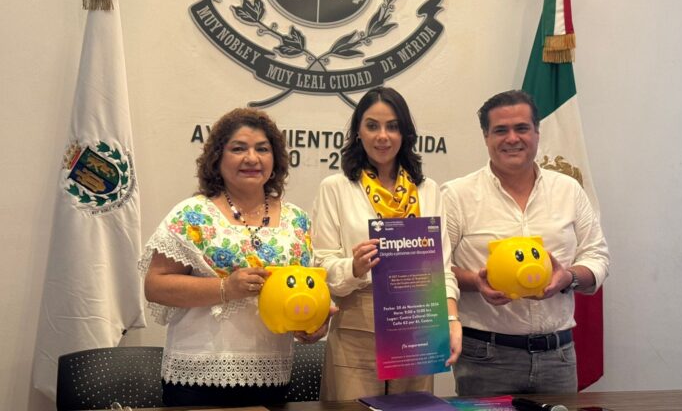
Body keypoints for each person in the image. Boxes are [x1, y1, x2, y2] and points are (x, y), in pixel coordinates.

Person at [139, 107, 328, 407]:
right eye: (238, 148)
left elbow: (305, 290)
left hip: (271, 376)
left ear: (275, 160)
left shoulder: (297, 220)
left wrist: (314, 323)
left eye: (262, 149)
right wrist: (226, 288)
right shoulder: (193, 214)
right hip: (198, 377)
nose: (252, 158)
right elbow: (155, 286)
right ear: (218, 158)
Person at [443, 90, 609, 395]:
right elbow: (436, 268)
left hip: (558, 357)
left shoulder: (569, 190)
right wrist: (476, 281)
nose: (512, 138)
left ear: (536, 132)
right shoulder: (456, 195)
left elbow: (597, 256)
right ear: (486, 137)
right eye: (500, 130)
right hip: (486, 357)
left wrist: (568, 277)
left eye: (521, 128)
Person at [312, 86, 462, 401]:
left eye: (392, 126)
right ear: (358, 132)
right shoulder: (336, 188)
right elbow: (321, 266)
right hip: (356, 328)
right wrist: (353, 267)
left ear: (404, 133)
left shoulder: (428, 190)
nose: (383, 136)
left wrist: (451, 319)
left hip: (417, 323)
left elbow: (442, 269)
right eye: (372, 126)